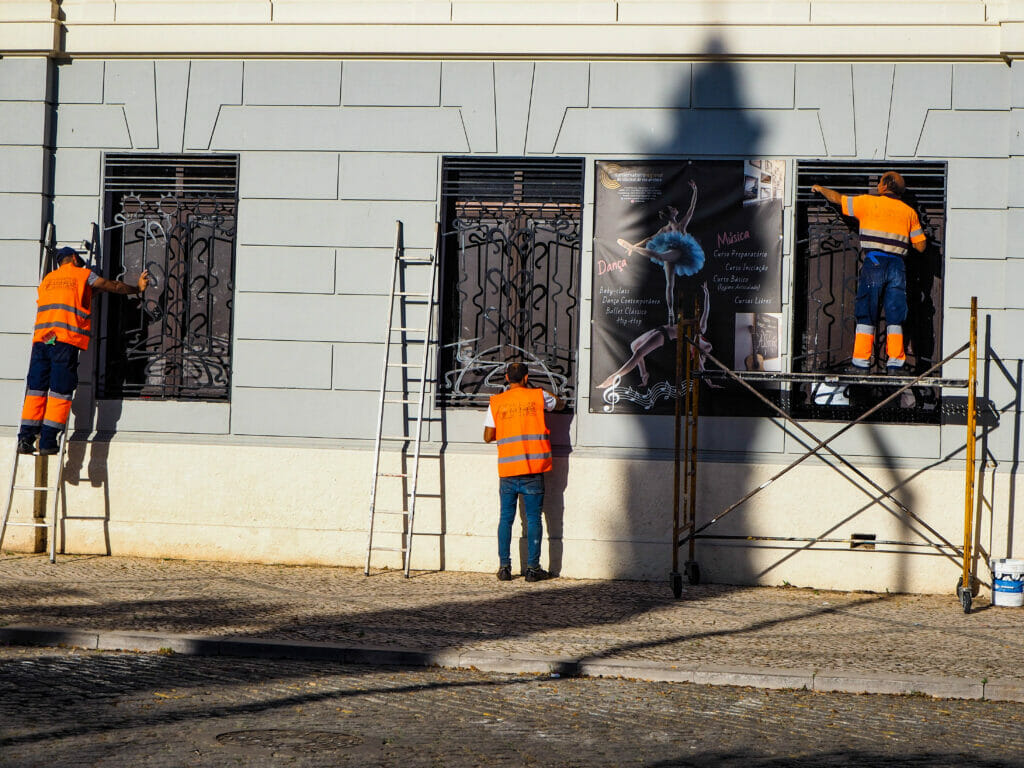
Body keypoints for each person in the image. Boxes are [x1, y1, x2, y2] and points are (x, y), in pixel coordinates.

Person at [17, 246, 149, 455]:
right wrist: (137, 289)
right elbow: (112, 285)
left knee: (36, 389)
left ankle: (25, 438)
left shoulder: (48, 280)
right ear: (74, 258)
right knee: (60, 390)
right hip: (63, 340)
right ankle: (48, 442)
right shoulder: (83, 274)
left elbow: (78, 299)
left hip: (45, 340)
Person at [812, 172, 926, 373]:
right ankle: (895, 364)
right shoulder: (909, 212)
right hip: (897, 264)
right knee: (895, 313)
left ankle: (861, 363)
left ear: (883, 186)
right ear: (901, 191)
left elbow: (838, 199)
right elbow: (921, 246)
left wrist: (820, 189)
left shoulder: (867, 203)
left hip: (874, 261)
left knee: (866, 310)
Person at [483, 362, 564, 582]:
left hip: (508, 470)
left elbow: (488, 436)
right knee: (534, 519)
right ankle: (532, 569)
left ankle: (504, 567)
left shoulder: (497, 402)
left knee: (506, 519)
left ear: (507, 379)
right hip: (533, 469)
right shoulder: (538, 397)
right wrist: (540, 391)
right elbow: (560, 404)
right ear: (526, 378)